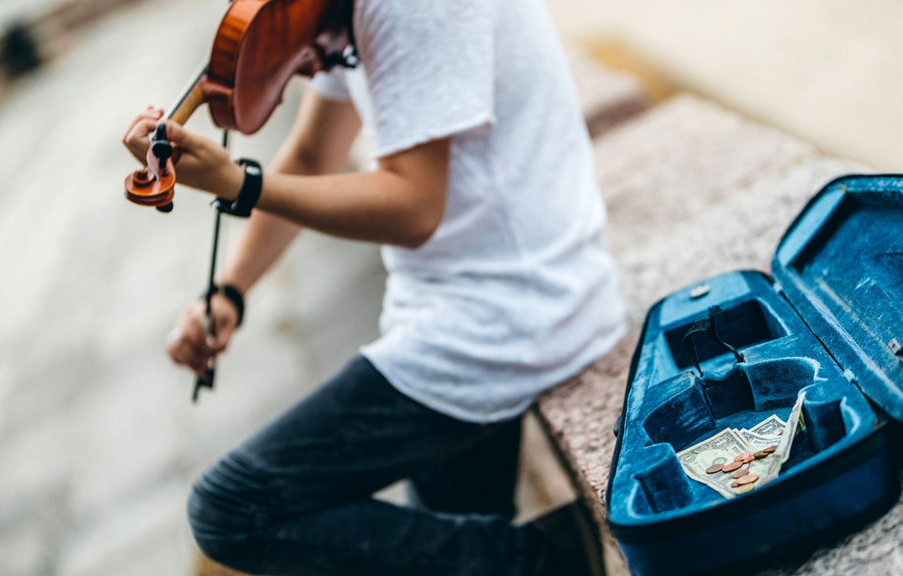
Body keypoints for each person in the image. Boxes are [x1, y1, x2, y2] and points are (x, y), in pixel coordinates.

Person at [122, 0, 625, 574]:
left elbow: (414, 207)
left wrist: (239, 183)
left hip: (511, 312)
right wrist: (229, 290)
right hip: (453, 305)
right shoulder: (338, 11)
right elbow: (313, 154)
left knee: (231, 509)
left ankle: (551, 561)